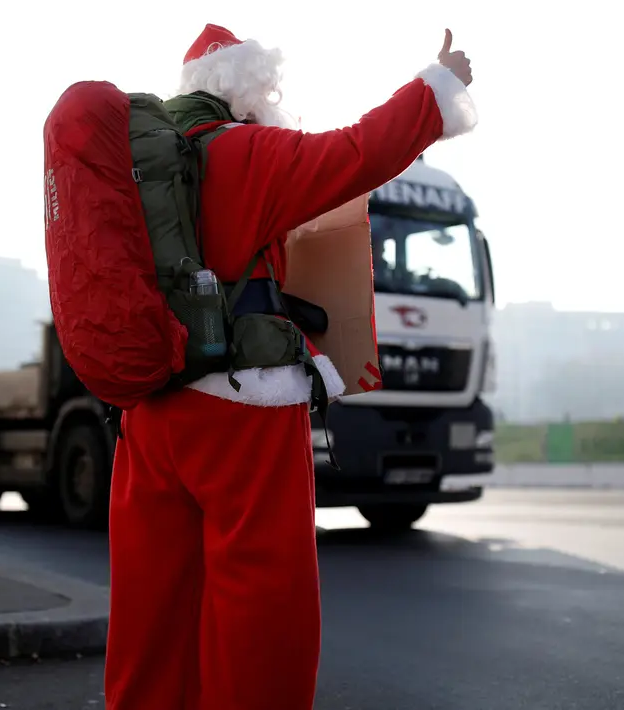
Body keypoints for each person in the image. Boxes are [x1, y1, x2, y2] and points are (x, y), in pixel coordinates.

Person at [104, 23, 478, 710]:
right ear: (249, 90)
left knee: (153, 609)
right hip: (242, 405)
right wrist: (438, 85)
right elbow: (361, 151)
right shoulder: (248, 150)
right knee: (260, 602)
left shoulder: (135, 164)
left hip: (148, 409)